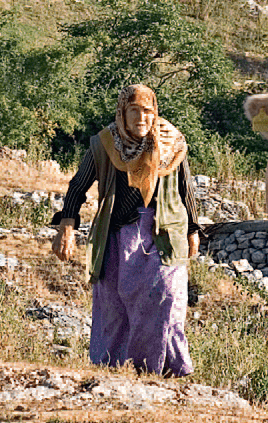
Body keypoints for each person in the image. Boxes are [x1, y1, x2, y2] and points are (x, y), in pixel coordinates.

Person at [51, 84, 200, 377]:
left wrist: (194, 228)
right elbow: (78, 185)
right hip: (118, 234)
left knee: (168, 296)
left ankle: (167, 368)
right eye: (134, 112)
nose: (142, 119)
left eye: (148, 111)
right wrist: (66, 226)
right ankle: (114, 368)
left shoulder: (172, 143)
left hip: (164, 234)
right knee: (114, 305)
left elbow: (186, 188)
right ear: (123, 113)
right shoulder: (105, 144)